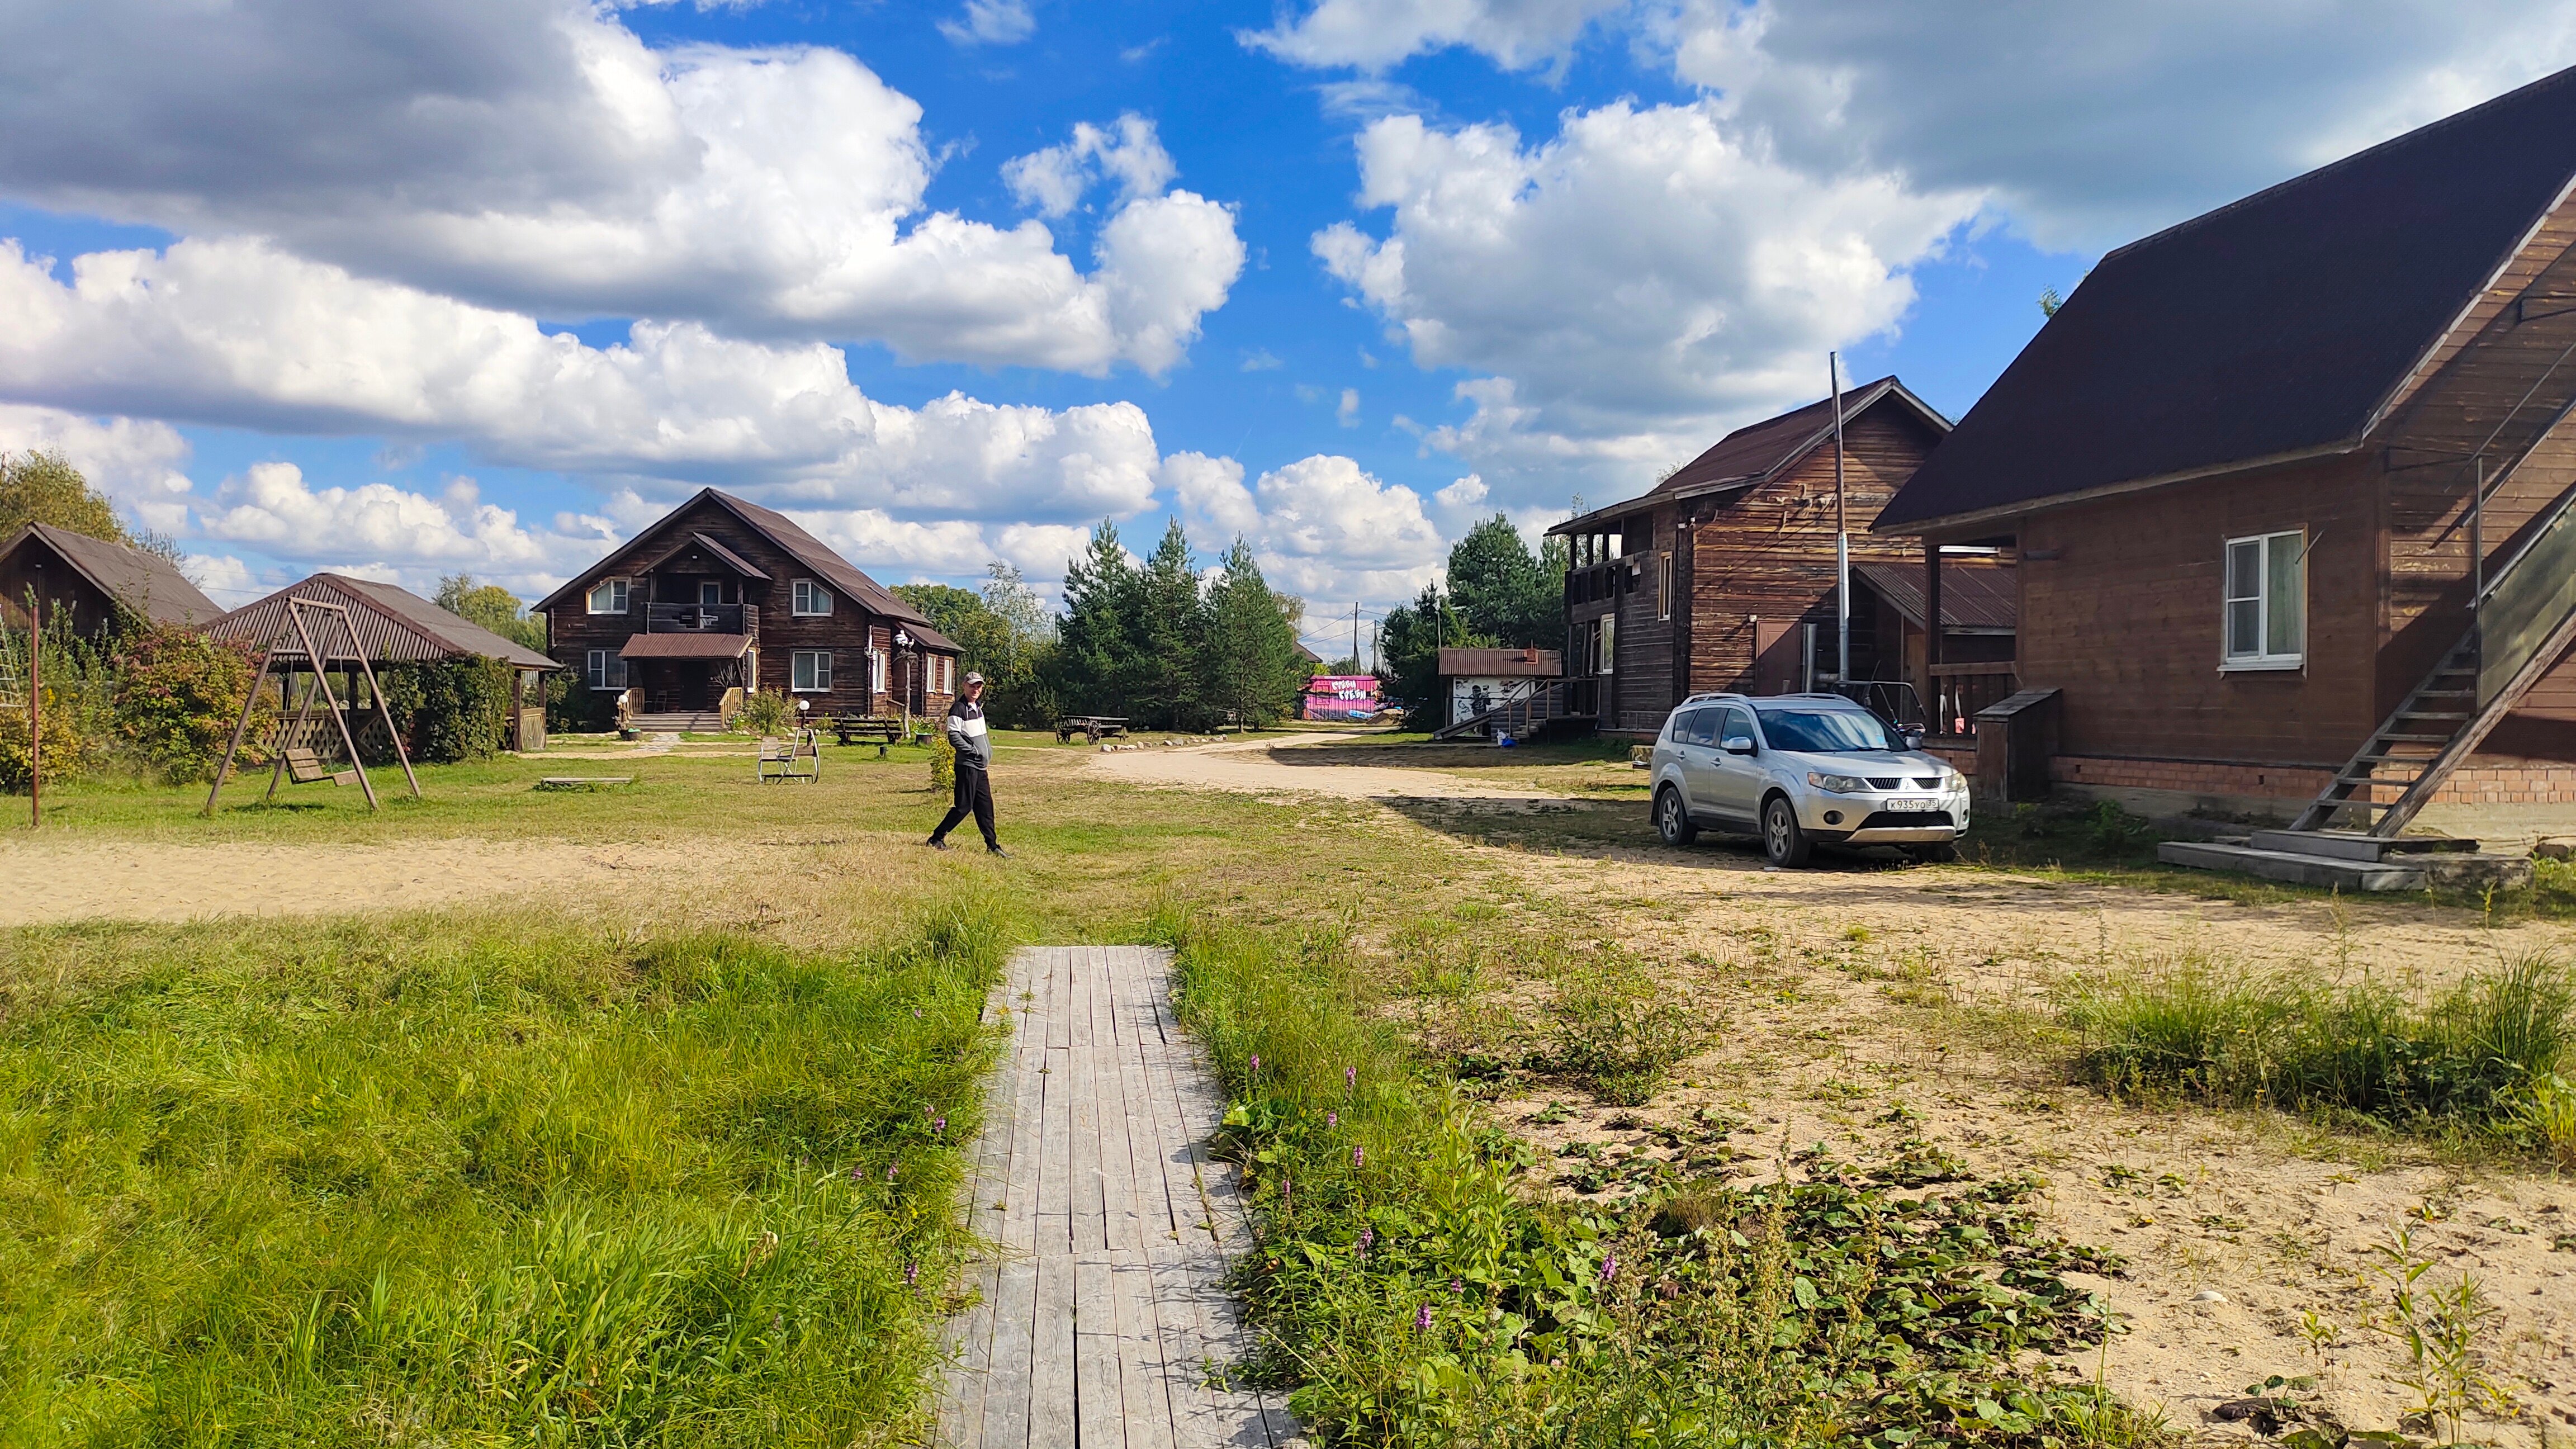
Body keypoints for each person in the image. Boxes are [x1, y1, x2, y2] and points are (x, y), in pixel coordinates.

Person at [927, 671, 1008, 855]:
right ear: (964, 686)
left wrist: (987, 752)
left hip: (980, 768)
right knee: (963, 807)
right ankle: (936, 838)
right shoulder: (958, 709)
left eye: (979, 686)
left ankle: (992, 846)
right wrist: (974, 752)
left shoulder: (977, 708)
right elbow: (954, 737)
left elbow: (981, 736)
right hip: (968, 767)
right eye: (972, 685)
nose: (976, 689)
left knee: (985, 807)